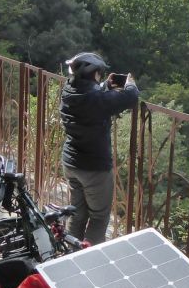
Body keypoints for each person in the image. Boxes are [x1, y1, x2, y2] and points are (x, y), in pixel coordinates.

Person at [59, 52, 139, 244]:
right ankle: (90, 260)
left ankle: (71, 255)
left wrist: (105, 87)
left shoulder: (69, 91)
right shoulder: (95, 100)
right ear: (93, 72)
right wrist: (130, 83)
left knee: (77, 215)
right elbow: (131, 96)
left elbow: (91, 97)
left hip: (71, 163)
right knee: (99, 216)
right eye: (99, 74)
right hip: (93, 168)